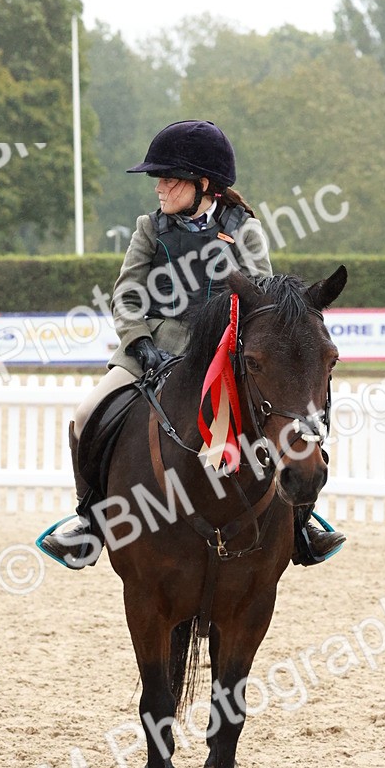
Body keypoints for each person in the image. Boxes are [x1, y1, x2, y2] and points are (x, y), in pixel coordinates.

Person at [41, 119, 345, 569]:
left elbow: (260, 297)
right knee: (86, 414)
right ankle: (90, 522)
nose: (159, 187)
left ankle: (301, 525)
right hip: (153, 345)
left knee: (282, 415)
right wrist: (137, 340)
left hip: (224, 350)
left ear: (202, 184)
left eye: (168, 179)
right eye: (159, 179)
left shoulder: (244, 230)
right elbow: (126, 294)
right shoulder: (150, 228)